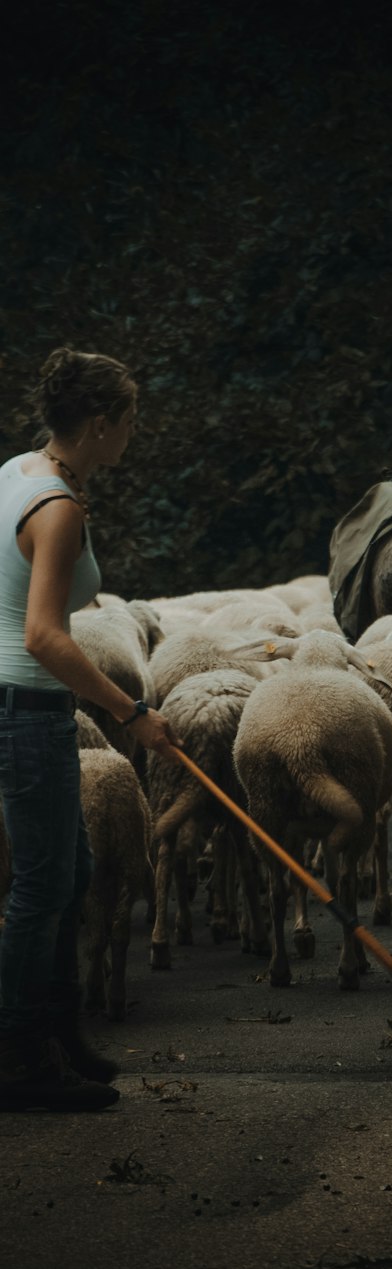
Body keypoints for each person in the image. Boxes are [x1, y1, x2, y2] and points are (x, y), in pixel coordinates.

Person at [0, 347, 178, 1111]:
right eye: (130, 422)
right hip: (30, 710)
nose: (133, 435)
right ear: (100, 424)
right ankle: (19, 1065)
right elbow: (45, 633)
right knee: (43, 888)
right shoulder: (60, 509)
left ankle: (60, 1034)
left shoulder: (21, 471)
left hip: (15, 702)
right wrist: (129, 712)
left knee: (68, 875)